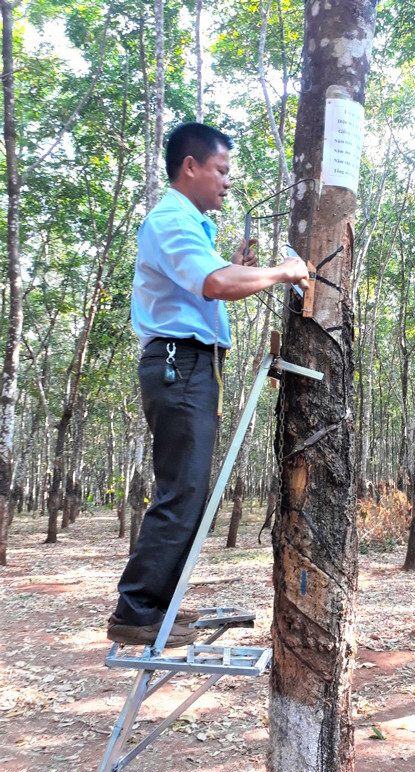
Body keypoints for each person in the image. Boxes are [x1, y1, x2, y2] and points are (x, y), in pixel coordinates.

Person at [107, 122, 309, 648]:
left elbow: (214, 284)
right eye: (221, 170)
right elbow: (214, 283)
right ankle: (137, 609)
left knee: (191, 491)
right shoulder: (171, 219)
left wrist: (242, 270)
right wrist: (282, 271)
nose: (226, 182)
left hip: (192, 366)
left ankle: (160, 604)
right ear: (190, 166)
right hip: (181, 364)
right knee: (182, 491)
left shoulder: (193, 226)